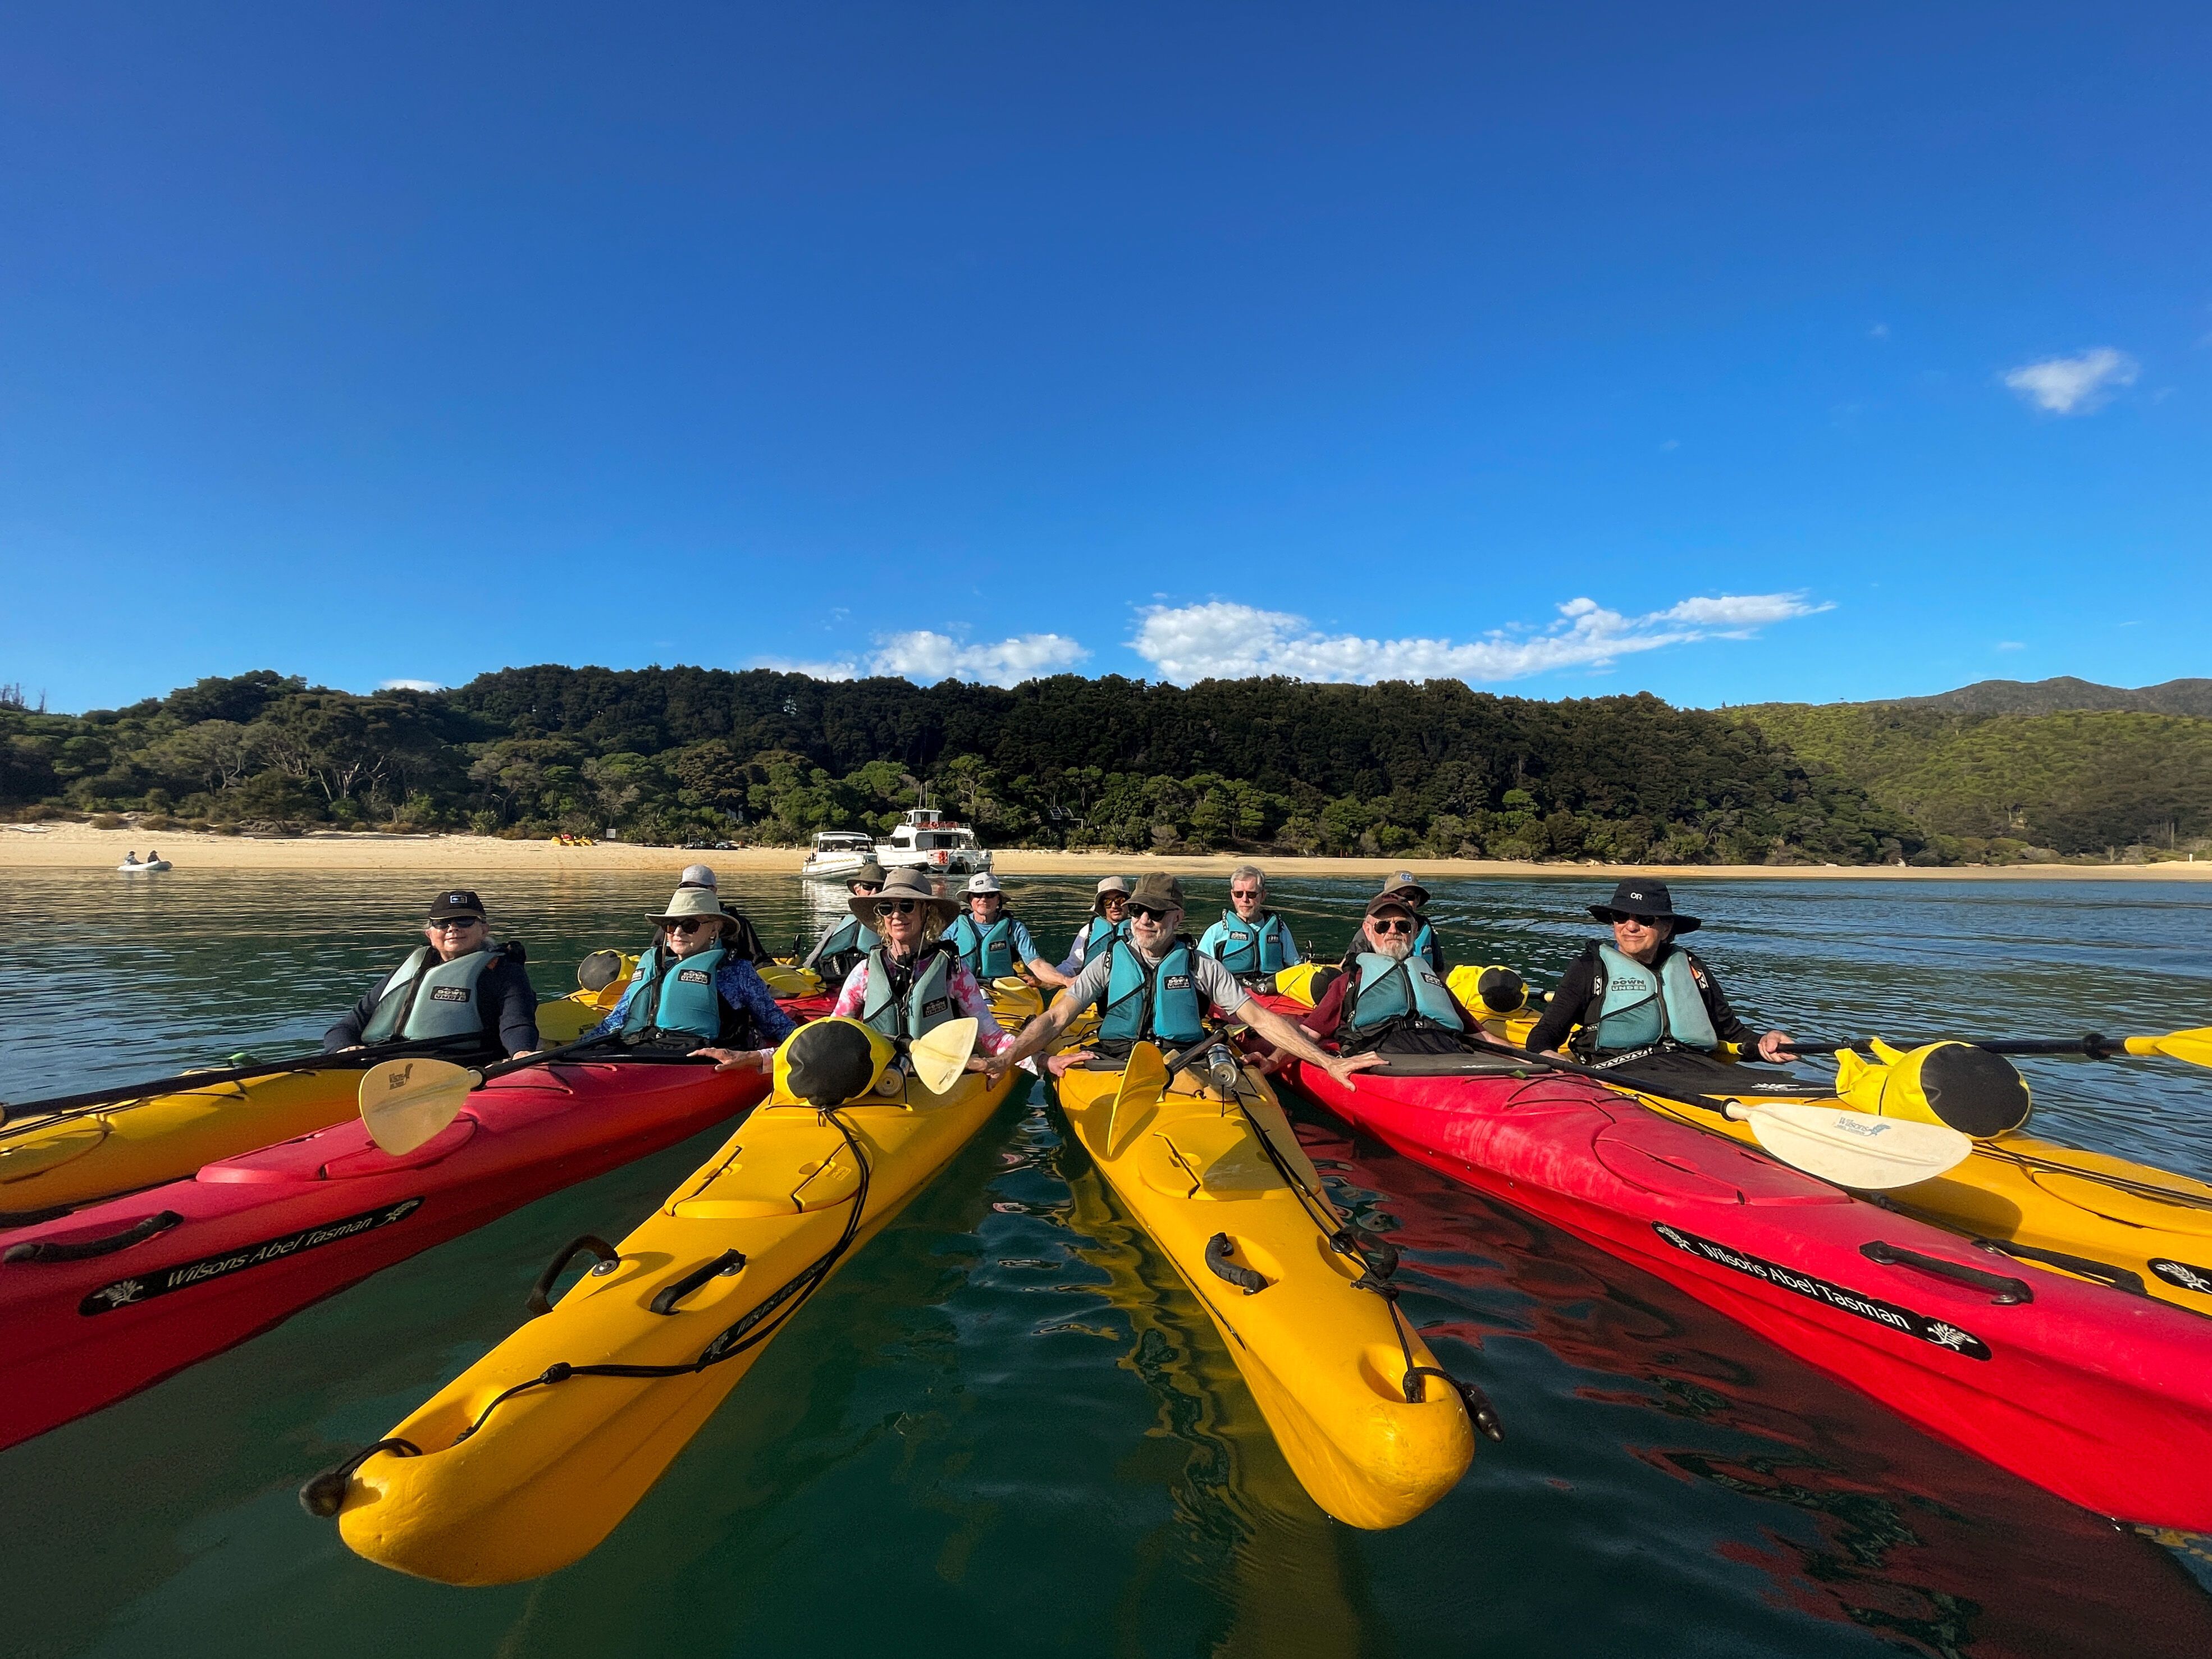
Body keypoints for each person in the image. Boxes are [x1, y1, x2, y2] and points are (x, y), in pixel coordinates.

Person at [985, 874, 1379, 1088]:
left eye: (1155, 913)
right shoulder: (1107, 961)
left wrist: (1328, 1062)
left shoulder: (1200, 965)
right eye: (1137, 911)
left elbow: (1260, 1019)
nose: (1143, 921)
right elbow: (1057, 1018)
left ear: (1177, 918)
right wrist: (1006, 1058)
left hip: (1186, 1059)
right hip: (1116, 1060)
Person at [1523, 880, 1792, 1074]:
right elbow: (1544, 1036)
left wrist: (1766, 1042)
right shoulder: (1589, 968)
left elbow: (1730, 1032)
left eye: (1645, 919)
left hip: (1696, 1069)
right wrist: (1549, 1056)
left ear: (1665, 928)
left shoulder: (1691, 967)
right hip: (1619, 1072)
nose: (1630, 926)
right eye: (1621, 917)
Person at [583, 883, 797, 1071]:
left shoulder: (737, 972)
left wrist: (759, 1057)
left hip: (698, 1062)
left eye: (690, 925)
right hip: (638, 1052)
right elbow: (614, 1022)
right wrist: (575, 1050)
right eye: (671, 925)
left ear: (714, 929)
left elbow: (778, 1026)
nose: (677, 932)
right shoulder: (654, 969)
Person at [325, 889, 540, 1060]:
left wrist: (521, 1051)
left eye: (465, 921)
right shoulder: (412, 969)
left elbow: (517, 1022)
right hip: (381, 1062)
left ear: (484, 929)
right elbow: (344, 1028)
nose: (453, 928)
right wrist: (344, 1048)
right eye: (442, 923)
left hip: (458, 1063)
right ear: (429, 934)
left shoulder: (504, 971)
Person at [828, 868, 1017, 1057]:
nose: (896, 915)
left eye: (907, 906)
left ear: (927, 912)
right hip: (883, 1071)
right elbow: (835, 1031)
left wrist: (1028, 1057)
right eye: (887, 908)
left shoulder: (953, 972)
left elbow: (993, 1038)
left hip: (938, 1070)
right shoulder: (864, 972)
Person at [1298, 888, 1481, 1056]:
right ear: (1368, 931)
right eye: (1382, 926)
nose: (1393, 931)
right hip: (1382, 1060)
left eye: (1403, 926)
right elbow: (1310, 1033)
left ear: (1414, 931)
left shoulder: (1430, 980)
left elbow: (1480, 1035)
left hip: (1447, 1056)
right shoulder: (1348, 982)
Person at [946, 873, 1072, 989]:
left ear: (998, 900)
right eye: (978, 895)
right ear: (970, 900)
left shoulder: (1015, 928)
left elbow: (1036, 964)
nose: (983, 899)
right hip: (963, 986)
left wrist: (1066, 980)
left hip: (1003, 987)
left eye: (990, 895)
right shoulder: (955, 925)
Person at [1197, 863, 1302, 989]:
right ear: (1232, 895)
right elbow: (1201, 975)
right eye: (1239, 894)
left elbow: (1295, 967)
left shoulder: (1280, 929)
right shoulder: (1216, 932)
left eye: (1251, 894)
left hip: (1273, 992)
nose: (1245, 899)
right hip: (1232, 994)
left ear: (1263, 895)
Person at [1340, 872, 1445, 976]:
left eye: (1409, 896)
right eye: (1396, 896)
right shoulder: (1373, 928)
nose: (1403, 900)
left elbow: (1439, 969)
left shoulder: (1426, 927)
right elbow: (1348, 966)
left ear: (1418, 900)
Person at [803, 861, 886, 981]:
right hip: (831, 980)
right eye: (868, 887)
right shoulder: (838, 926)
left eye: (880, 888)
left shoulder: (894, 926)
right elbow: (811, 963)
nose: (874, 892)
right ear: (857, 890)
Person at [1054, 877, 1132, 977]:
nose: (1114, 906)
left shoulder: (1139, 928)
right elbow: (1072, 966)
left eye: (1120, 900)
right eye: (1108, 902)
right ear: (1102, 906)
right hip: (1092, 984)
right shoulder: (1089, 930)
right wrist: (1049, 978)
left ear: (1128, 902)